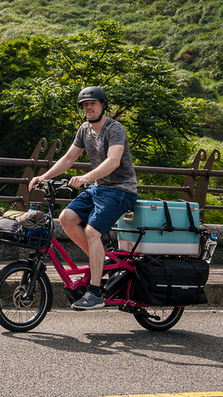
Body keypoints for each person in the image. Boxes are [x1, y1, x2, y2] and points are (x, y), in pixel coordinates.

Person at [28, 86, 138, 310]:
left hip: (121, 190)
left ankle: (96, 293)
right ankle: (103, 262)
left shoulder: (115, 129)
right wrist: (44, 177)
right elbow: (69, 158)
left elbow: (113, 160)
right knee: (67, 218)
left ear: (103, 105)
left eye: (93, 103)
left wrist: (86, 177)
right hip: (100, 188)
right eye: (85, 105)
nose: (88, 107)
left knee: (92, 231)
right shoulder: (85, 129)